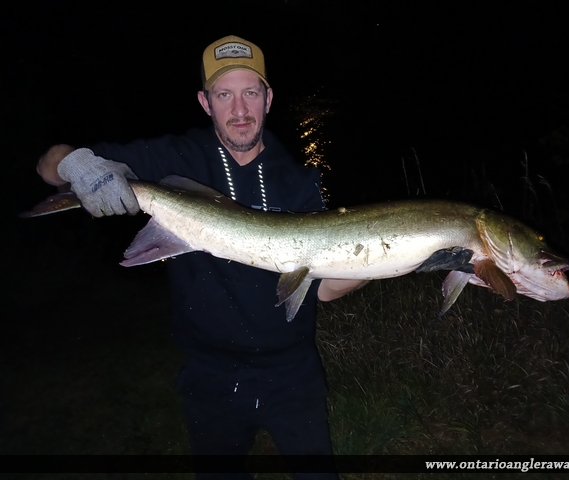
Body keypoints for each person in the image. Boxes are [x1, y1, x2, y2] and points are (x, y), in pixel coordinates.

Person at [37, 35, 366, 478]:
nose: (240, 110)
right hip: (208, 373)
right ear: (204, 101)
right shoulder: (175, 156)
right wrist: (77, 166)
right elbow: (48, 164)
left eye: (251, 92)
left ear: (268, 98)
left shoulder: (299, 180)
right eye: (224, 95)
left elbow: (324, 288)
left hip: (292, 372)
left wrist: (405, 259)